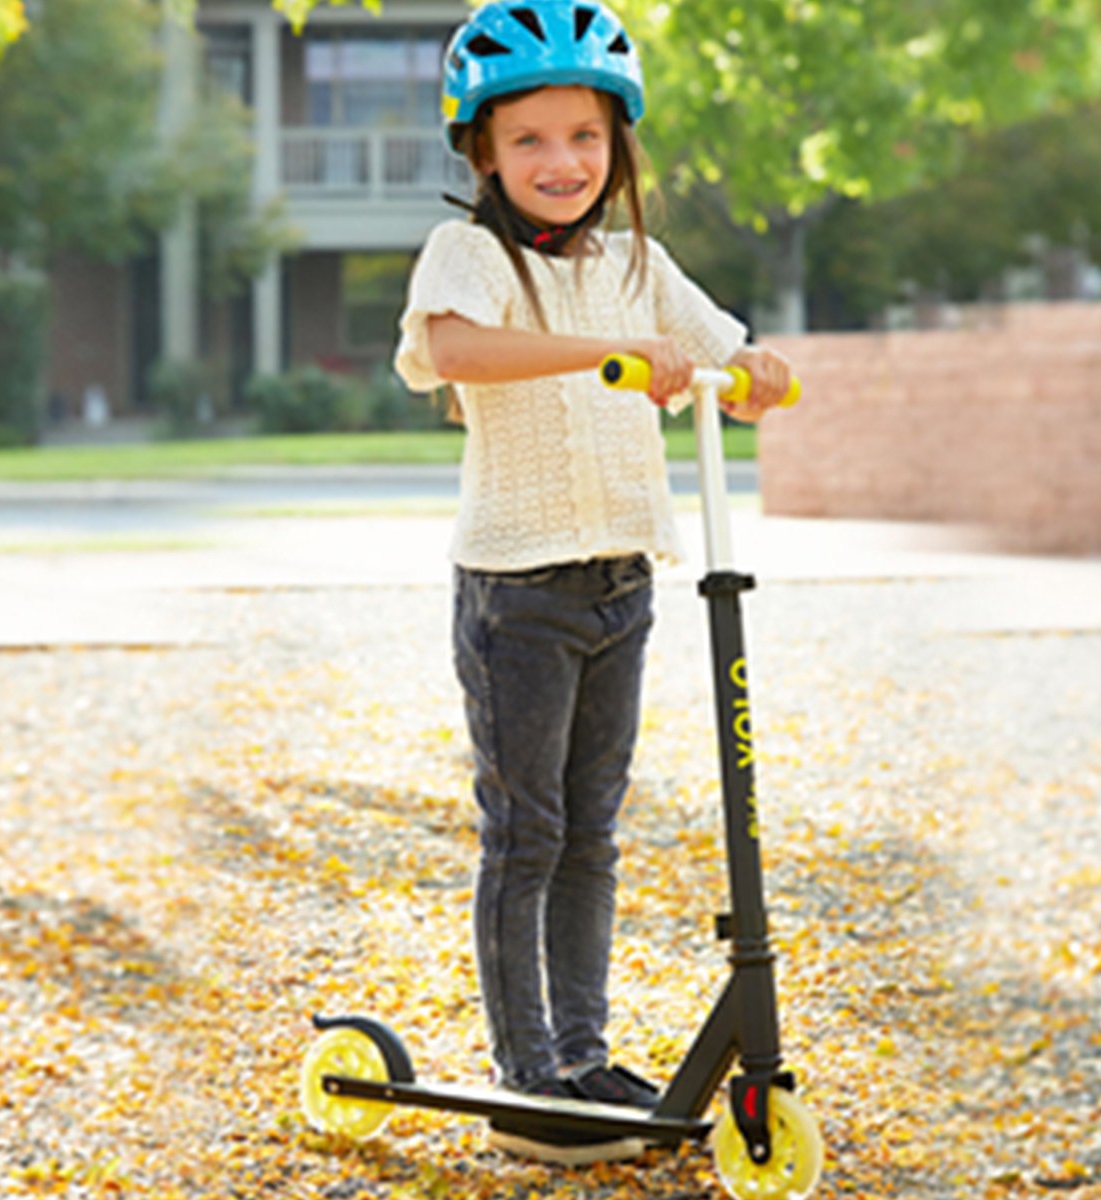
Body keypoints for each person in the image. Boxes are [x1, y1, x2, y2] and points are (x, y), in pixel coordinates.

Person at [394, 0, 793, 1165]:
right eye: (529, 141)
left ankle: (582, 1049)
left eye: (584, 136)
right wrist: (607, 356)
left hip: (622, 580)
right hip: (518, 589)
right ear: (482, 149)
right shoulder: (470, 255)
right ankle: (531, 1078)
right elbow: (455, 350)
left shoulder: (638, 263)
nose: (561, 162)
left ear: (617, 142)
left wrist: (755, 366)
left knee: (593, 834)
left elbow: (725, 350)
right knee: (527, 832)